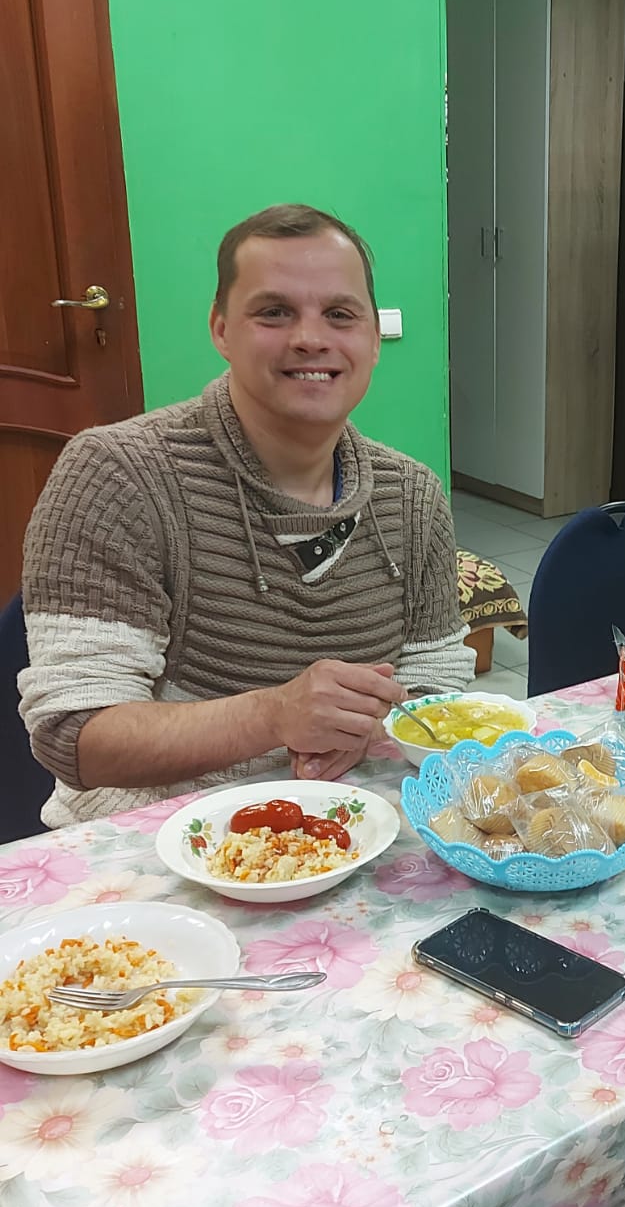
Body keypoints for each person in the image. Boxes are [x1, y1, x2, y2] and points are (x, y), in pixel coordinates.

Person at [20, 204, 474, 827]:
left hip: (350, 824)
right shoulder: (118, 473)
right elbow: (75, 734)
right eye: (274, 312)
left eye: (340, 314)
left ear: (373, 338)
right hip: (158, 833)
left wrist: (364, 728)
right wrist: (272, 716)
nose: (310, 337)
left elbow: (437, 683)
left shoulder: (413, 494)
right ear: (221, 329)